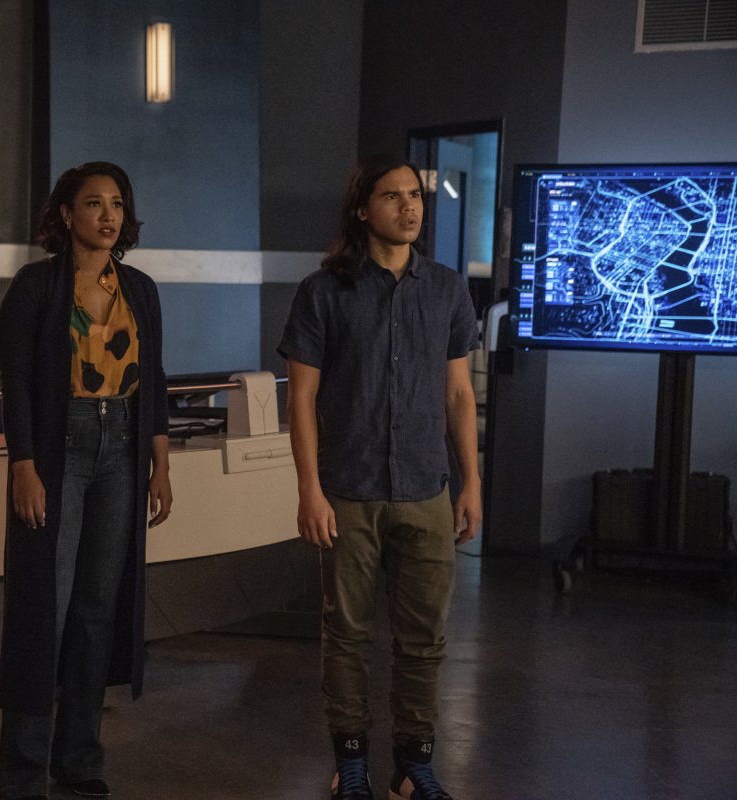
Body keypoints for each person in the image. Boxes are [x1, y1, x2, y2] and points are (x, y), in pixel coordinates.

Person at [277, 153, 481, 800]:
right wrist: (309, 489)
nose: (409, 206)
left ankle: (414, 766)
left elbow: (458, 394)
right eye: (393, 196)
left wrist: (472, 482)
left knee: (424, 639)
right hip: (349, 489)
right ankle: (352, 764)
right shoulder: (323, 291)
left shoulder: (446, 288)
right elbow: (301, 398)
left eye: (415, 194)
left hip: (426, 487)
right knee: (346, 635)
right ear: (363, 209)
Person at [0, 161, 173, 800]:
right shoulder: (37, 286)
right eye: (94, 204)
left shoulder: (140, 289)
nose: (108, 215)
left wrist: (160, 463)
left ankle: (79, 758)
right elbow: (15, 383)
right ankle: (21, 774)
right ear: (67, 215)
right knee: (44, 605)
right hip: (56, 448)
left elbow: (153, 380)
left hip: (122, 445)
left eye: (117, 204)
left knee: (98, 608)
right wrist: (23, 464)